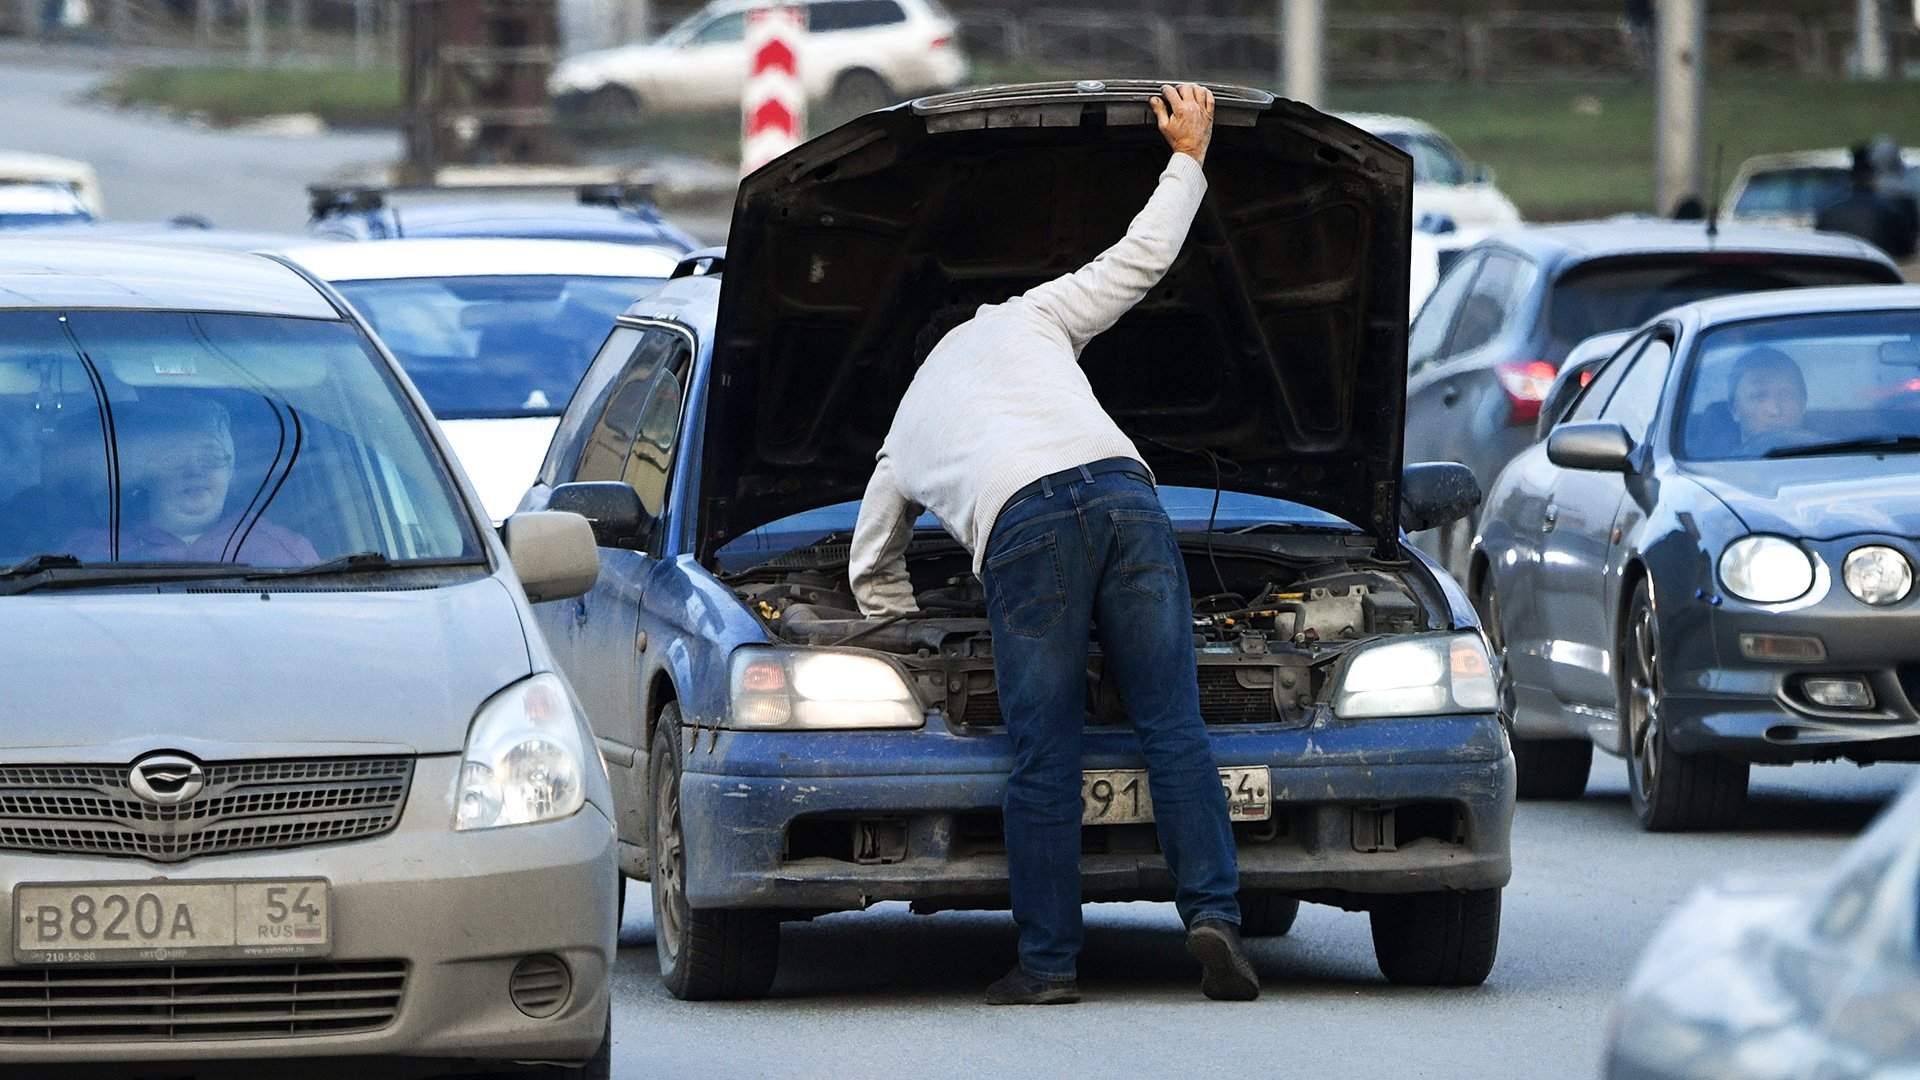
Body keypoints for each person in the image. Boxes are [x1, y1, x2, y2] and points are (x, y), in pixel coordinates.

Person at [847, 84, 1257, 1005]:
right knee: (1173, 725)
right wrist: (1188, 156)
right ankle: (1216, 919)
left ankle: (1047, 965)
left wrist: (903, 629)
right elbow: (1137, 260)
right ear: (972, 315)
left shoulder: (907, 424)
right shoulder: (1026, 317)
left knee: (1046, 752)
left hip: (1025, 531)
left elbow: (872, 562)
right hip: (1127, 492)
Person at [65, 396, 318, 566]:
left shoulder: (289, 554)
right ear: (144, 474)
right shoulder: (88, 553)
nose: (195, 471)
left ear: (231, 470)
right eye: (173, 457)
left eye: (211, 458)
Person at [1815, 143, 1918, 259]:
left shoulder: (1827, 214)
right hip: (1877, 274)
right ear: (1874, 176)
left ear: (1850, 178)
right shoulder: (1890, 212)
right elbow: (1906, 252)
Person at [1729, 348, 1818, 454]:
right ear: (1735, 409)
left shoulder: (1832, 461)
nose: (1774, 411)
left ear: (1803, 405)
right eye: (1759, 396)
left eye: (1786, 395)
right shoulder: (1713, 468)